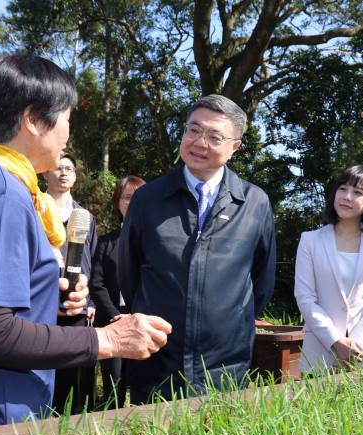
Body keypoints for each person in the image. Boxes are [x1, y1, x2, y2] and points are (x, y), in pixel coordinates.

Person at [0, 54, 170, 432]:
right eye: (67, 118)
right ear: (33, 120)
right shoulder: (0, 195)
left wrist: (50, 300)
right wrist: (106, 339)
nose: (68, 133)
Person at [118, 94, 276, 403]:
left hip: (225, 367)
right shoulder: (148, 199)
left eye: (214, 136)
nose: (199, 142)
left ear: (235, 147)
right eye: (193, 130)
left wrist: (228, 321)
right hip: (156, 360)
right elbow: (129, 273)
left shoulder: (254, 202)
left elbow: (261, 281)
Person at [294, 166, 363, 374]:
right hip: (319, 354)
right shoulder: (309, 241)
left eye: (358, 192)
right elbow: (305, 297)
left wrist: (355, 348)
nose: (347, 197)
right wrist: (335, 341)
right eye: (343, 189)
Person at [42, 154, 99, 414]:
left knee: (74, 377)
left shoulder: (84, 217)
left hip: (78, 305)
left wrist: (91, 301)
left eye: (69, 169)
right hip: (43, 303)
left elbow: (94, 262)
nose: (64, 173)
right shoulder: (33, 209)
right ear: (45, 173)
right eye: (58, 167)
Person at [90, 176, 146, 408]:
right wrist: (115, 314)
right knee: (113, 383)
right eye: (126, 197)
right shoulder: (105, 242)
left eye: (137, 197)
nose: (131, 202)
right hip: (111, 320)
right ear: (117, 202)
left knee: (143, 383)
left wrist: (136, 314)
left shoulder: (155, 242)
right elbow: (97, 282)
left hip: (143, 320)